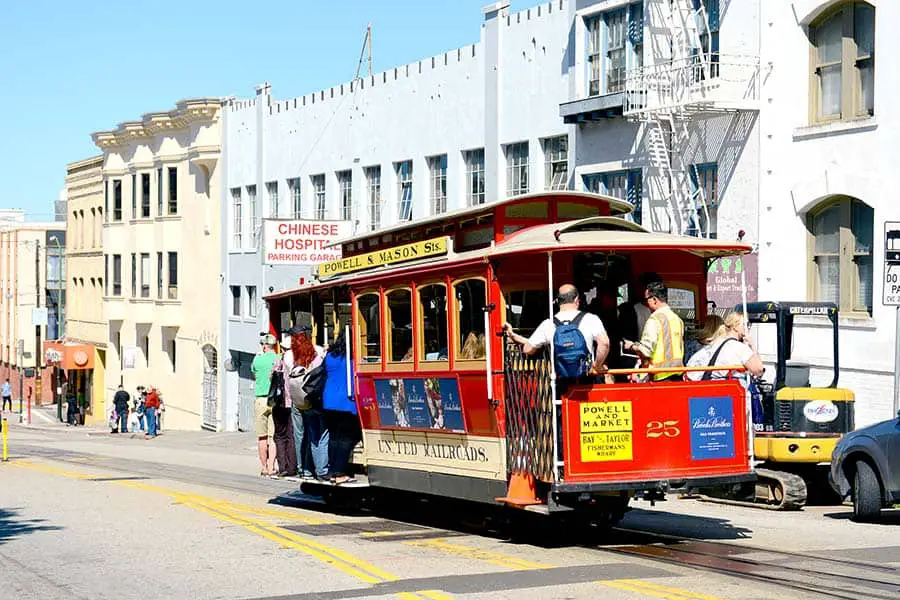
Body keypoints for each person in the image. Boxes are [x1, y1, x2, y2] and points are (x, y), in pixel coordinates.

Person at [502, 283, 611, 387]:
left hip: (563, 382)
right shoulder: (591, 319)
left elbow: (528, 348)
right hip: (587, 380)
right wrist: (597, 365)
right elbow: (604, 343)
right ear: (577, 300)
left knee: (564, 406)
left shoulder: (548, 324)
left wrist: (513, 336)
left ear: (558, 302)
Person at [275, 326, 327, 480]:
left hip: (296, 400)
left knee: (299, 435)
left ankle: (302, 468)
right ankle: (314, 468)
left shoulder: (288, 356)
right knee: (314, 433)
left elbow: (286, 379)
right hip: (312, 398)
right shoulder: (318, 351)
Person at [624, 280, 685, 382]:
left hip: (659, 377)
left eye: (647, 299)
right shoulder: (677, 319)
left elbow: (645, 351)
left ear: (654, 299)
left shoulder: (655, 319)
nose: (646, 303)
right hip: (678, 376)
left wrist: (631, 346)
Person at [324, 328, 360, 485]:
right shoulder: (353, 359)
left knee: (334, 437)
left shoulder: (330, 356)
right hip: (346, 401)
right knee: (347, 438)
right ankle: (340, 473)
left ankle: (332, 471)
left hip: (329, 401)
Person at [687, 312, 764, 383]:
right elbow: (759, 370)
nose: (748, 327)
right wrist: (752, 345)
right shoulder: (738, 347)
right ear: (735, 327)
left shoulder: (715, 343)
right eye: (745, 324)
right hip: (729, 391)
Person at [251, 335, 279, 476]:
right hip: (274, 400)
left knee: (262, 437)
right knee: (272, 437)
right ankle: (271, 466)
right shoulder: (278, 358)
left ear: (264, 346)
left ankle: (263, 467)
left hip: (261, 399)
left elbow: (254, 373)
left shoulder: (257, 359)